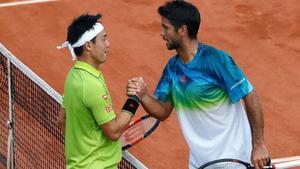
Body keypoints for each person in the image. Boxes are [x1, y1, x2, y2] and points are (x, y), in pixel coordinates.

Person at [126, 1, 270, 169]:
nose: (162, 33)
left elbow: (250, 95)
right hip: (200, 162)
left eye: (166, 28)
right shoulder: (172, 68)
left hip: (234, 158)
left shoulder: (216, 60)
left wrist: (258, 144)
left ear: (182, 30)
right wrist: (142, 95)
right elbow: (163, 111)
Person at [57, 13, 140, 169]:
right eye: (104, 39)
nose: (108, 44)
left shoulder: (73, 75)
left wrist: (84, 148)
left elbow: (62, 120)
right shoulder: (91, 85)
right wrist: (135, 99)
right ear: (88, 45)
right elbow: (114, 132)